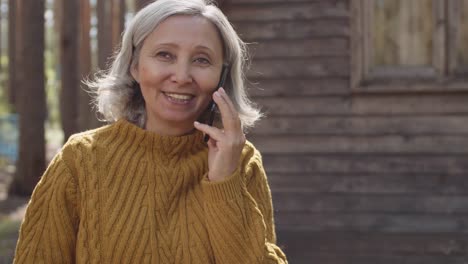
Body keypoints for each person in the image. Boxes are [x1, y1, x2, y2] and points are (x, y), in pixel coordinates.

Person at [14, 0, 288, 263]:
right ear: (135, 65)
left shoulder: (241, 162)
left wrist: (225, 184)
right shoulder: (79, 161)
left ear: (221, 76)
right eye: (165, 55)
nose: (181, 76)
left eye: (202, 60)